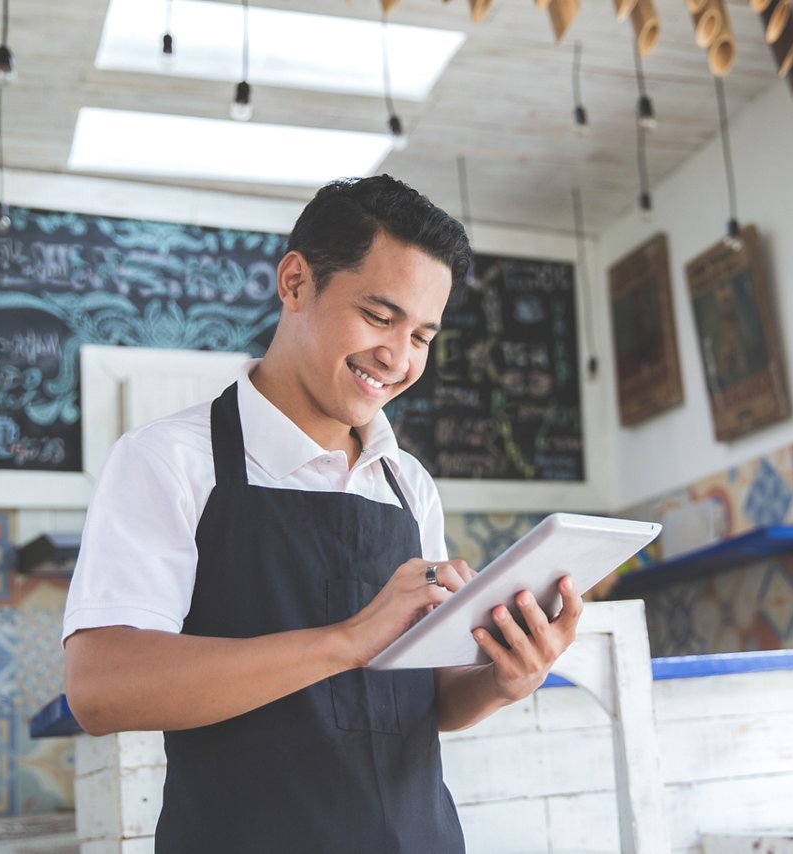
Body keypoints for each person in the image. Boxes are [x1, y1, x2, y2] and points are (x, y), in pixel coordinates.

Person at [62, 175, 585, 852]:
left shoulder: (409, 485)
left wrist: (503, 680)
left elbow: (423, 704)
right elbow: (101, 689)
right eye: (378, 316)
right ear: (296, 283)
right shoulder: (167, 461)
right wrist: (345, 642)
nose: (397, 359)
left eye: (423, 335)